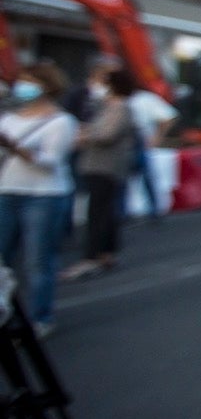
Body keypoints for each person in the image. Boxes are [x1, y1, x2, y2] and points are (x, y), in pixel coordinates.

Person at [0, 62, 78, 336]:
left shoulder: (61, 121)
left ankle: (39, 317)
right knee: (2, 259)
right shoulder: (9, 118)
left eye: (29, 80)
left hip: (44, 196)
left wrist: (16, 148)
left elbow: (51, 162)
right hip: (7, 190)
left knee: (38, 260)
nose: (21, 86)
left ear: (46, 86)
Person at [63, 67, 136, 281]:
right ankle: (105, 253)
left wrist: (84, 134)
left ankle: (92, 257)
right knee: (104, 211)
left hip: (104, 165)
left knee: (97, 213)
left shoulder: (118, 107)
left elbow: (106, 134)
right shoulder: (109, 106)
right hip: (102, 165)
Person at [126, 84, 178, 221]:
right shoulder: (113, 99)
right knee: (122, 180)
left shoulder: (143, 99)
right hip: (123, 147)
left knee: (147, 177)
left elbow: (168, 117)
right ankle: (124, 212)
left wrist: (157, 137)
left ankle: (154, 210)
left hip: (140, 145)